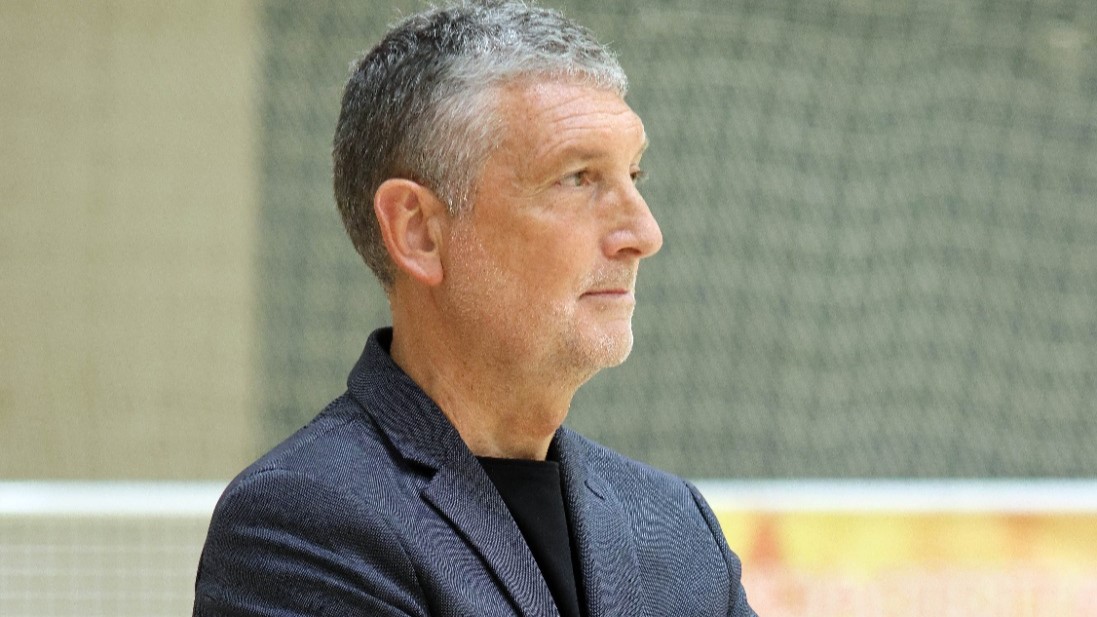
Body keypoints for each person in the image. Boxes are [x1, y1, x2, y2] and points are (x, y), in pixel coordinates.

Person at [193, 1, 755, 615]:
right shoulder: (302, 520)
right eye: (577, 177)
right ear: (418, 231)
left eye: (634, 175)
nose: (644, 234)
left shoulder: (678, 527)